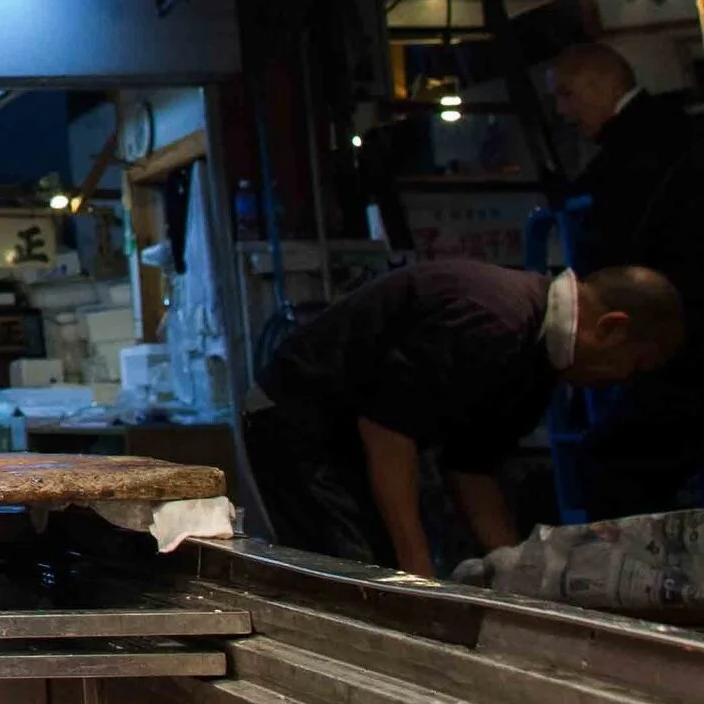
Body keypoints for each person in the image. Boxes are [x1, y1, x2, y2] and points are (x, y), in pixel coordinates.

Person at [243, 259, 684, 578]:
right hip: (301, 423)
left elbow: (472, 465)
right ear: (610, 327)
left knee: (385, 567)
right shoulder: (495, 320)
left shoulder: (539, 364)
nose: (624, 380)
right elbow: (388, 431)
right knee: (361, 574)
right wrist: (415, 566)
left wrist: (516, 570)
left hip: (355, 437)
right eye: (635, 364)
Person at [547, 42, 704, 515]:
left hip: (683, 334)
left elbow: (616, 239)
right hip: (676, 330)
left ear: (603, 82)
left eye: (568, 94)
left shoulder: (644, 147)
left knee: (612, 462)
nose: (563, 111)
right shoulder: (670, 131)